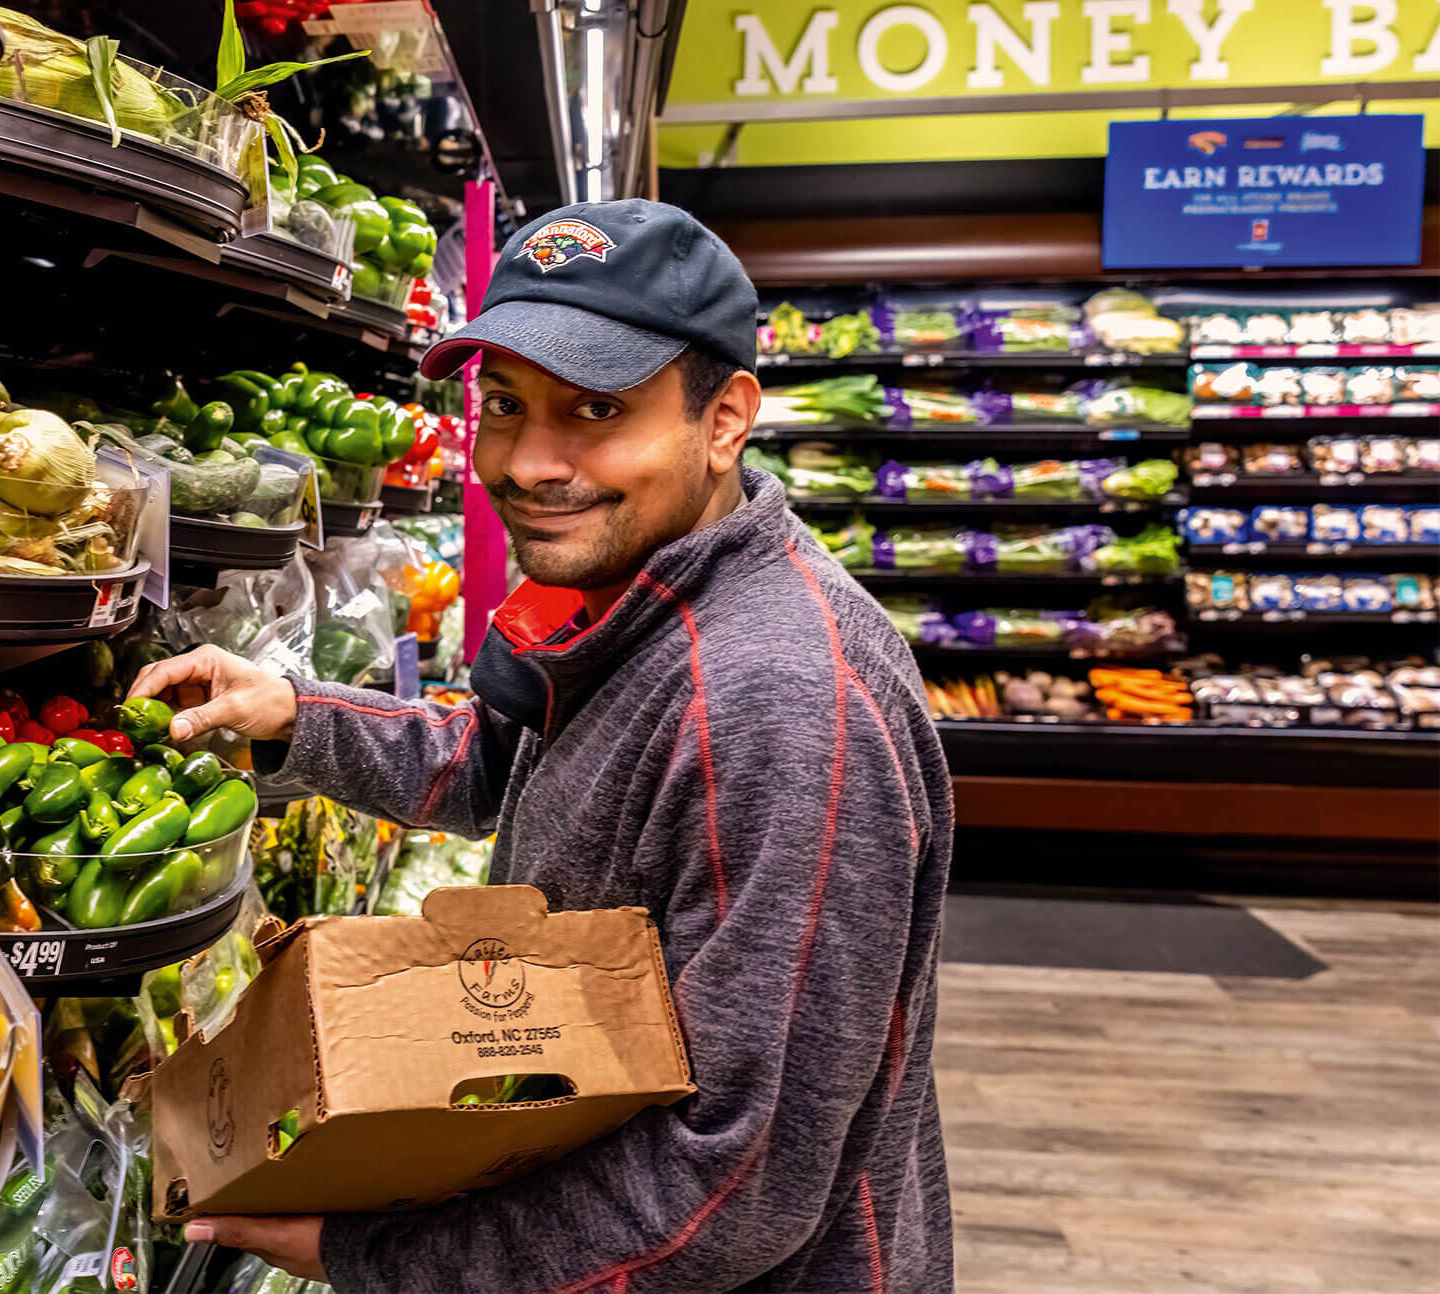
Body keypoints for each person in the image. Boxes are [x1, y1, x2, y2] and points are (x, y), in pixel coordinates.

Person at [130, 200, 954, 1293]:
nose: (525, 462)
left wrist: (376, 1255)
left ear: (724, 419)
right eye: (506, 406)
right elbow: (521, 765)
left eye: (597, 408)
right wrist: (294, 712)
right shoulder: (648, 595)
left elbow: (730, 1187)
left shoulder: (778, 702)